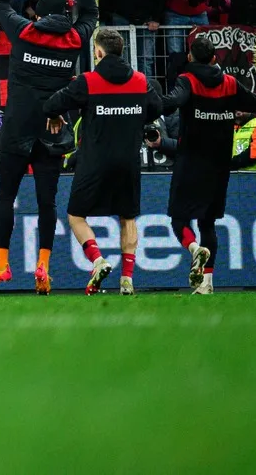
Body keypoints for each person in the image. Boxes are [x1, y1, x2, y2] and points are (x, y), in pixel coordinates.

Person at [0, 0, 96, 293]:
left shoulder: (25, 31)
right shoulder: (74, 40)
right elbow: (90, 13)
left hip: (17, 129)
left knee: (5, 197)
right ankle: (42, 267)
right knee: (48, 203)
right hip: (53, 130)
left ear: (38, 13)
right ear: (65, 13)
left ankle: (2, 265)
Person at [40, 26, 167, 294]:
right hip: (128, 161)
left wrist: (55, 115)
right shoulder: (140, 81)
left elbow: (50, 105)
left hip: (94, 161)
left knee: (76, 215)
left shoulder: (87, 82)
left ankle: (97, 260)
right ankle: (128, 280)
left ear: (98, 51)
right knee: (128, 217)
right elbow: (157, 107)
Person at [161, 33, 256, 294]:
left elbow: (172, 102)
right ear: (213, 58)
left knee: (179, 219)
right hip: (219, 165)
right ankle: (207, 283)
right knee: (208, 224)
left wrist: (147, 101)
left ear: (190, 57)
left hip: (190, 161)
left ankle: (195, 249)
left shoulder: (187, 80)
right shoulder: (230, 83)